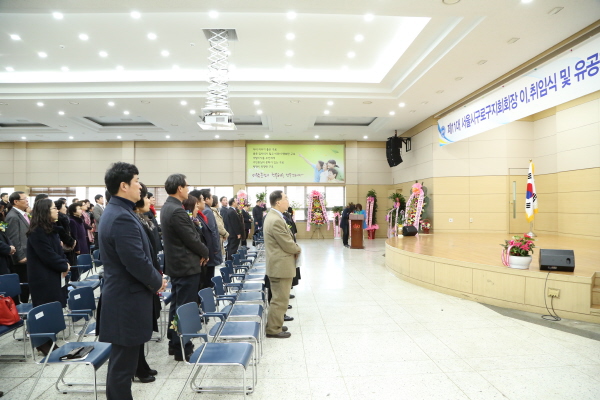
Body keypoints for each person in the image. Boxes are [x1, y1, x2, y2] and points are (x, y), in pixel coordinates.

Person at [98, 162, 165, 400]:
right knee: (122, 365)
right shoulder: (120, 217)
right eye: (136, 181)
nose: (140, 186)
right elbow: (135, 260)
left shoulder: (120, 211)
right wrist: (157, 281)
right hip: (126, 300)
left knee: (123, 362)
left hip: (126, 296)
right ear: (123, 185)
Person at [160, 173, 209, 361]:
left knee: (177, 305)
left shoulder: (168, 207)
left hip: (178, 265)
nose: (189, 189)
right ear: (180, 188)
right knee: (185, 307)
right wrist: (205, 252)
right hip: (185, 265)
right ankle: (183, 346)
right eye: (187, 186)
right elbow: (191, 238)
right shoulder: (177, 211)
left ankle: (174, 341)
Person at [26, 198, 70, 355]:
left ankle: (50, 339)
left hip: (53, 275)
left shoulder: (50, 229)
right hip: (42, 278)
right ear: (45, 211)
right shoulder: (37, 231)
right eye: (53, 208)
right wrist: (64, 265)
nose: (56, 210)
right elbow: (47, 255)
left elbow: (58, 252)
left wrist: (64, 262)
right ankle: (42, 342)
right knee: (44, 309)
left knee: (53, 306)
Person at [132, 182, 162, 383]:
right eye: (145, 196)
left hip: (150, 276)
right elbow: (138, 257)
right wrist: (155, 279)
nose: (149, 200)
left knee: (144, 326)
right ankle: (137, 366)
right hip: (141, 282)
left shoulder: (144, 219)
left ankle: (141, 363)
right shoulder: (133, 220)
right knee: (137, 328)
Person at [263, 191, 301, 338]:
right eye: (286, 198)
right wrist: (298, 249)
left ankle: (276, 324)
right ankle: (273, 329)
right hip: (280, 265)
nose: (288, 201)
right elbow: (287, 243)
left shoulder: (275, 216)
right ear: (278, 202)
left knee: (280, 298)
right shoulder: (275, 219)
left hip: (279, 264)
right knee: (280, 299)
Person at [191, 189, 221, 288]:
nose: (204, 201)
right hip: (206, 252)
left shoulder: (201, 214)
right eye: (202, 199)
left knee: (208, 278)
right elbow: (211, 232)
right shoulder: (206, 212)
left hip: (207, 251)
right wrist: (215, 249)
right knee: (206, 280)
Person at [5, 191, 30, 304]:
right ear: (16, 202)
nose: (27, 201)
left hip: (26, 254)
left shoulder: (21, 214)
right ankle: (21, 309)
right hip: (20, 258)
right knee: (23, 284)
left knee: (26, 284)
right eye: (24, 199)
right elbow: (13, 238)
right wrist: (20, 256)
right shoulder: (13, 216)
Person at [68, 202, 89, 281]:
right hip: (79, 247)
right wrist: (77, 249)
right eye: (79, 209)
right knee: (77, 268)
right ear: (74, 211)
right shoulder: (72, 221)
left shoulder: (80, 220)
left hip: (83, 244)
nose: (81, 210)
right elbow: (74, 236)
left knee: (82, 268)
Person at [0, 210, 16, 276]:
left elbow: (6, 234)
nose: (2, 212)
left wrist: (11, 246)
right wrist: (8, 248)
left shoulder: (2, 222)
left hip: (6, 258)